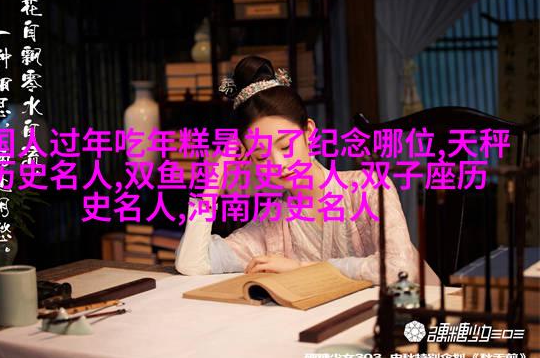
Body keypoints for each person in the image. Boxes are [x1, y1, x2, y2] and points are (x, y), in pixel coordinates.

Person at [174, 56, 439, 285]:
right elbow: (192, 263)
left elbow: (399, 269)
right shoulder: (272, 223)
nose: (278, 163)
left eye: (285, 146)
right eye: (261, 156)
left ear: (308, 132)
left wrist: (302, 269)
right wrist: (218, 171)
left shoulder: (368, 188)